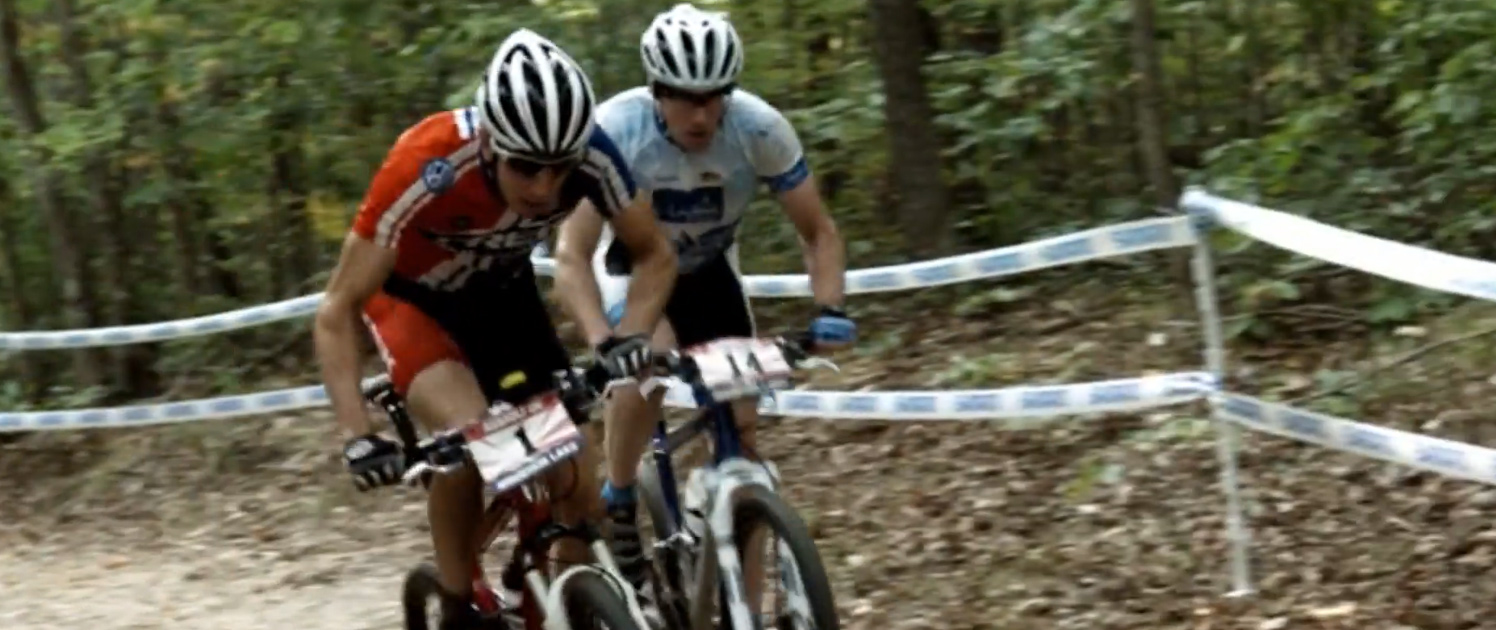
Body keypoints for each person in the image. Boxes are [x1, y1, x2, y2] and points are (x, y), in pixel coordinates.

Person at [312, 28, 676, 630]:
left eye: (558, 169)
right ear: (489, 143)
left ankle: (569, 608)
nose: (543, 188)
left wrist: (629, 337)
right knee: (470, 441)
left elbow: (655, 252)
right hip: (411, 302)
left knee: (579, 481)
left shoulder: (595, 155)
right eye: (525, 167)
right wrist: (358, 436)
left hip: (501, 294)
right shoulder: (427, 163)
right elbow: (336, 308)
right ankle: (456, 603)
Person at [550, 2, 856, 611]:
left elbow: (818, 230)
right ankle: (619, 497)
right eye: (686, 99)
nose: (702, 114)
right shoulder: (614, 131)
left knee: (742, 429)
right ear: (656, 90)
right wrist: (603, 340)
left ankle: (745, 597)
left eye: (716, 98)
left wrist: (830, 307)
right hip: (634, 271)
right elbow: (571, 252)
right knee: (647, 367)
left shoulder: (759, 130)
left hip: (712, 274)